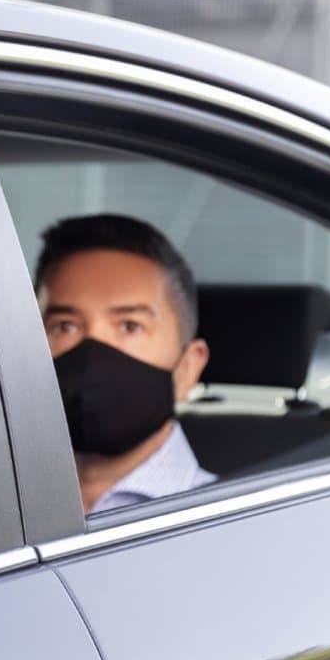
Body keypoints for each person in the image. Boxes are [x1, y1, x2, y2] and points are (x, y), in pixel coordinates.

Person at [35, 213, 216, 514]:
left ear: (188, 368)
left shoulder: (238, 523)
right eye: (65, 326)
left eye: (130, 326)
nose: (93, 349)